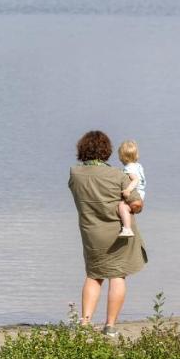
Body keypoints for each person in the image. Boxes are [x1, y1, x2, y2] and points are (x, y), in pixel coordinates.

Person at [68, 130, 148, 336]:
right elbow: (137, 204)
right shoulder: (119, 176)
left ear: (82, 150)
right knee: (117, 276)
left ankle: (84, 324)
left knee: (93, 276)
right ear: (107, 152)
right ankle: (110, 326)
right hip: (120, 233)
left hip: (91, 233)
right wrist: (132, 205)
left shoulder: (75, 174)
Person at [116, 139, 146, 238]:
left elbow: (135, 180)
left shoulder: (128, 168)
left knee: (122, 206)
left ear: (121, 157)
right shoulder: (138, 166)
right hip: (140, 199)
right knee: (127, 210)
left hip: (134, 197)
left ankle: (127, 228)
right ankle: (128, 225)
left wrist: (128, 190)